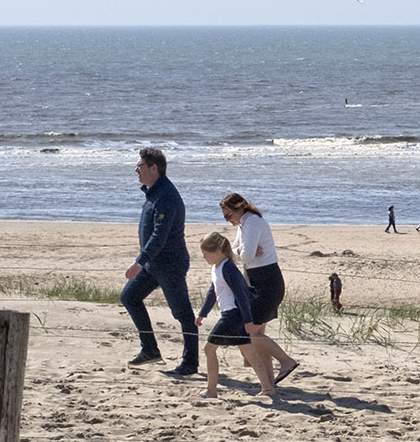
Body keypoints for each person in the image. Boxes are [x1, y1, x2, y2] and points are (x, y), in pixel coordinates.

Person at [118, 148, 200, 375]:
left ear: (154, 169)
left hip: (170, 264)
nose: (136, 170)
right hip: (153, 264)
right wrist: (144, 262)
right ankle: (150, 350)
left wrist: (138, 261)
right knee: (129, 297)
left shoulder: (166, 196)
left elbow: (159, 236)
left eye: (140, 166)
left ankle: (190, 363)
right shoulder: (153, 192)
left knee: (183, 314)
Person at [220, 193, 300, 385]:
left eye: (228, 215)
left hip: (267, 283)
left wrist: (239, 252)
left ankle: (286, 361)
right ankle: (269, 383)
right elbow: (235, 250)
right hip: (256, 281)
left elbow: (245, 256)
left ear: (239, 209)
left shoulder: (253, 223)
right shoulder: (244, 224)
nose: (228, 220)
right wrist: (240, 251)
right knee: (258, 336)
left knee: (248, 334)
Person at [193, 233, 275, 399]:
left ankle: (211, 390)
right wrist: (202, 314)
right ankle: (267, 388)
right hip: (232, 315)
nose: (204, 257)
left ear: (217, 251)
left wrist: (248, 321)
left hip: (233, 315)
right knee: (249, 351)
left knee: (209, 349)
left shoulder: (228, 267)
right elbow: (213, 291)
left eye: (206, 254)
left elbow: (242, 295)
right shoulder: (216, 267)